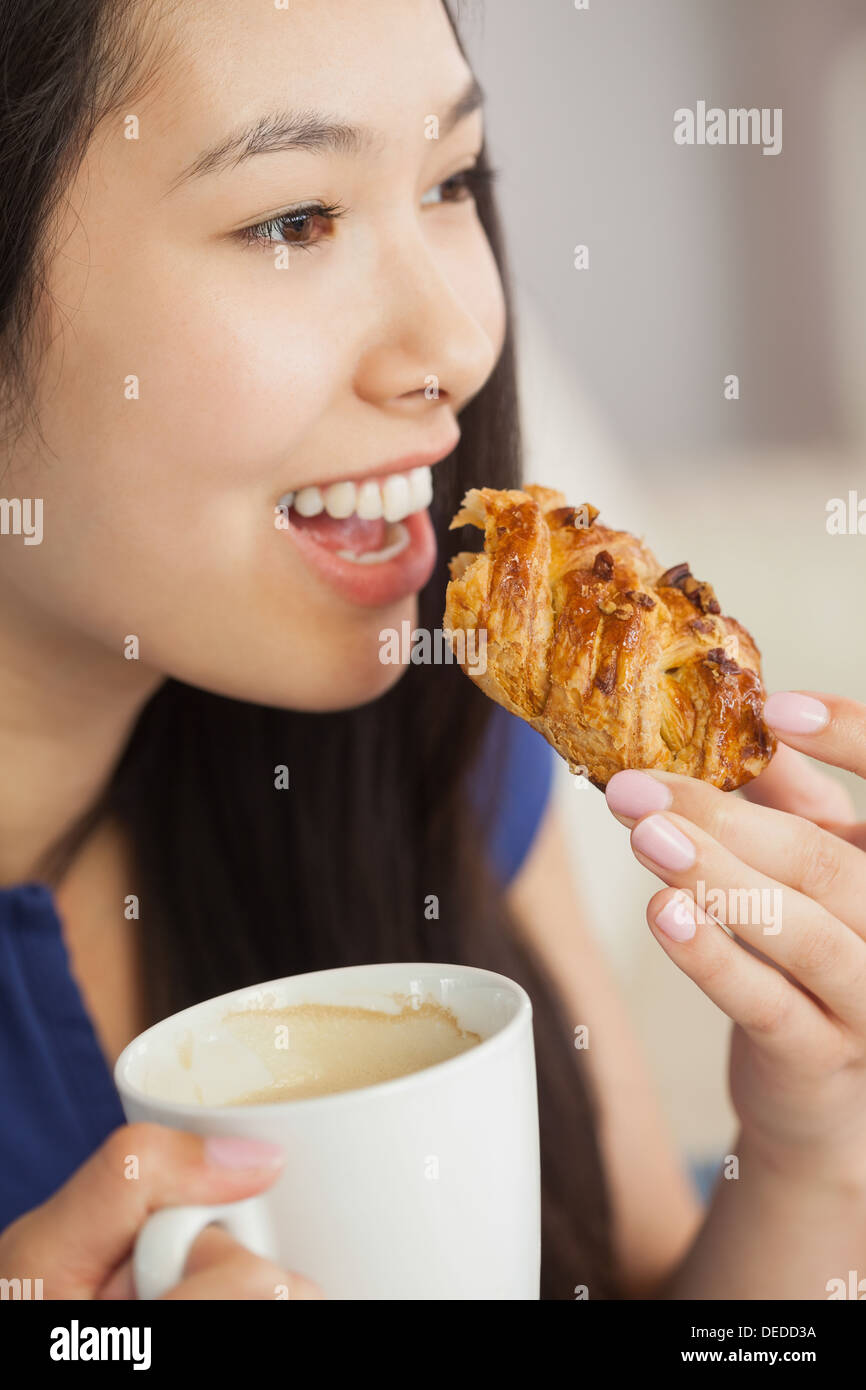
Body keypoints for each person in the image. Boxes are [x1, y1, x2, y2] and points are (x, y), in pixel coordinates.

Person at [1, 0, 865, 1302]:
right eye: (291, 219)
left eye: (452, 179)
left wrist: (812, 1152)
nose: (458, 346)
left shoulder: (428, 749)